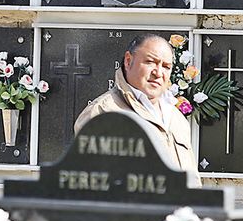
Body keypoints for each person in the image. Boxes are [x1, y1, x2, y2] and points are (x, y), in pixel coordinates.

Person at [73, 34, 196, 171]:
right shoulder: (102, 112)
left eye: (166, 66)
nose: (159, 73)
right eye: (150, 62)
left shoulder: (176, 117)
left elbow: (192, 180)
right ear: (128, 60)